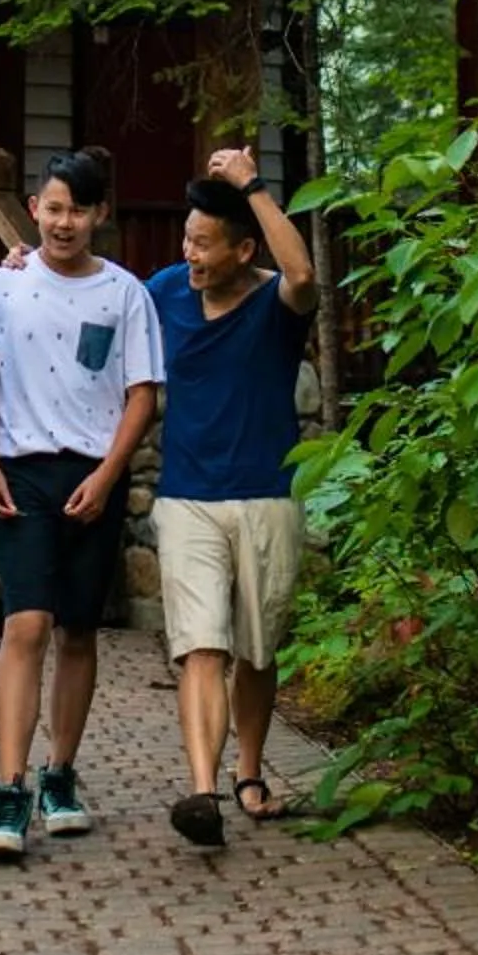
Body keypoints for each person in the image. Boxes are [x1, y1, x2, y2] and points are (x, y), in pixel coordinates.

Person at [0, 146, 164, 859]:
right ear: (33, 209)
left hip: (94, 473)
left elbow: (142, 392)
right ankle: (10, 788)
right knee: (26, 623)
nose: (64, 222)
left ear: (100, 215)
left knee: (78, 630)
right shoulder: (0, 287)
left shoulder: (125, 293)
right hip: (22, 472)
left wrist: (110, 476)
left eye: (78, 209)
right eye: (53, 208)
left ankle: (60, 776)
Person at [148, 146, 319, 850]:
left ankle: (249, 772)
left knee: (256, 646)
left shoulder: (276, 302)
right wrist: (21, 266)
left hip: (267, 497)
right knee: (201, 646)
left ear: (243, 248)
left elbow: (304, 273)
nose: (190, 255)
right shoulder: (163, 292)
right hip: (186, 496)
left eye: (204, 244)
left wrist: (253, 185)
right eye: (186, 240)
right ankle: (202, 789)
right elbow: (96, 298)